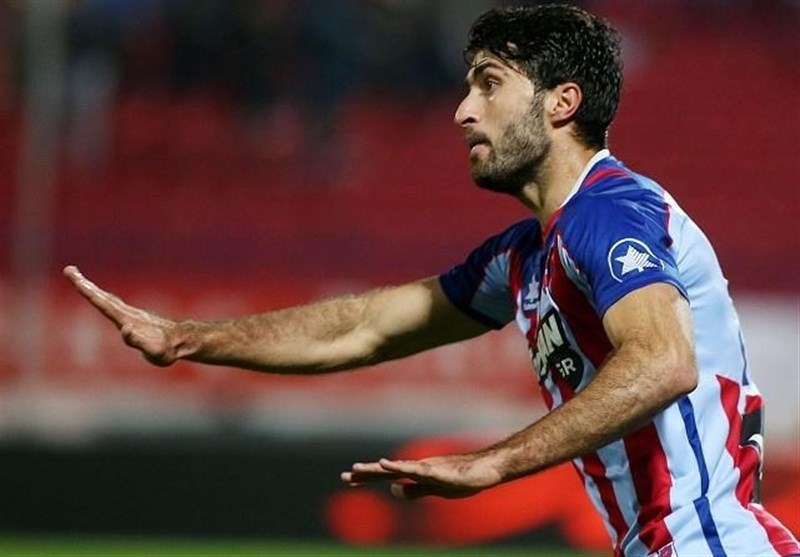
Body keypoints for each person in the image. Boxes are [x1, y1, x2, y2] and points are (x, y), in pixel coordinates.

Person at [64, 5, 799, 557]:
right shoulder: (526, 255)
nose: (462, 111)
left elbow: (663, 361)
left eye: (489, 84)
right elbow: (368, 327)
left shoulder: (607, 212)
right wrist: (187, 339)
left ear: (561, 102)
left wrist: (493, 462)